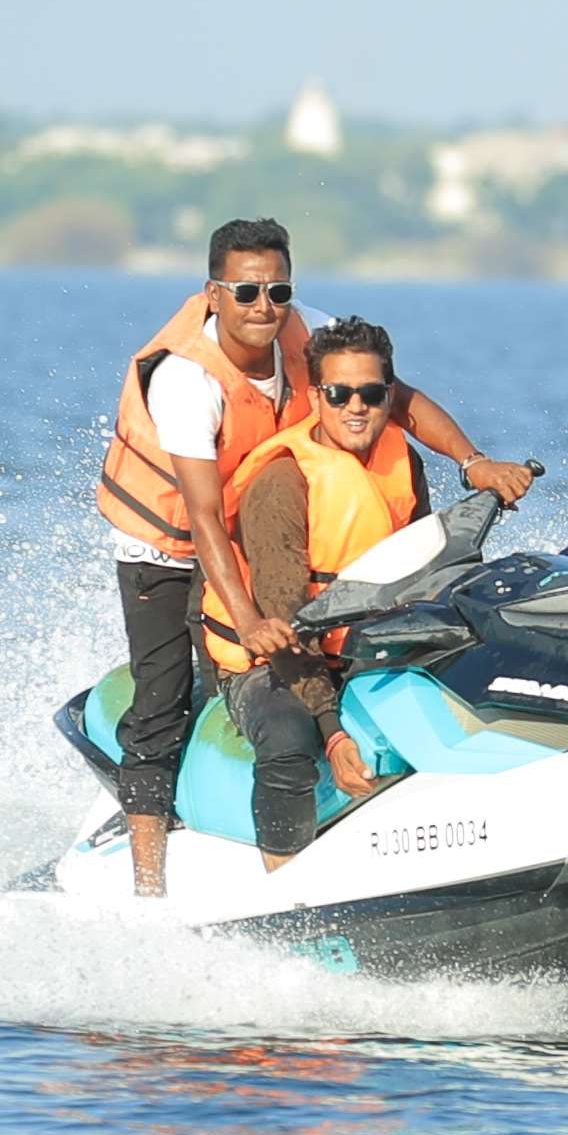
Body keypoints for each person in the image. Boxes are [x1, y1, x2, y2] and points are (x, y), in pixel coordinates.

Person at [92, 222, 535, 891]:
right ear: (214, 294)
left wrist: (472, 462)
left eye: (277, 289)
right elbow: (206, 516)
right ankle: (149, 883)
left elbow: (400, 396)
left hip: (255, 522)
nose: (264, 306)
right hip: (170, 540)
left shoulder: (306, 331)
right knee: (163, 698)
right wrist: (248, 624)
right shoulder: (187, 380)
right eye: (246, 291)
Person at [210, 318, 452, 866]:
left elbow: (431, 570)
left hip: (364, 649)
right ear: (317, 396)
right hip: (271, 661)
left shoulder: (402, 462)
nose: (356, 407)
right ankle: (283, 886)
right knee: (290, 739)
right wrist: (333, 731)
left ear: (389, 395)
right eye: (340, 394)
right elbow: (286, 627)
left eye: (370, 393)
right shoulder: (283, 483)